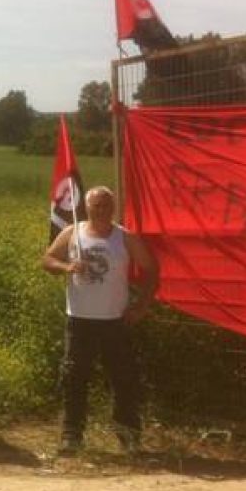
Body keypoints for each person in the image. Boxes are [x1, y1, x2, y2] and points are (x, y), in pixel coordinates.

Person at [42, 185, 159, 455]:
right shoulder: (72, 232)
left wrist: (141, 306)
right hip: (79, 320)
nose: (102, 210)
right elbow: (47, 260)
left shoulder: (125, 238)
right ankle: (72, 436)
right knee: (74, 378)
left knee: (123, 379)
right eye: (96, 206)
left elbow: (151, 269)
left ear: (113, 207)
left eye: (106, 205)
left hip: (114, 321)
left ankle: (128, 435)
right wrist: (66, 267)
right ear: (87, 207)